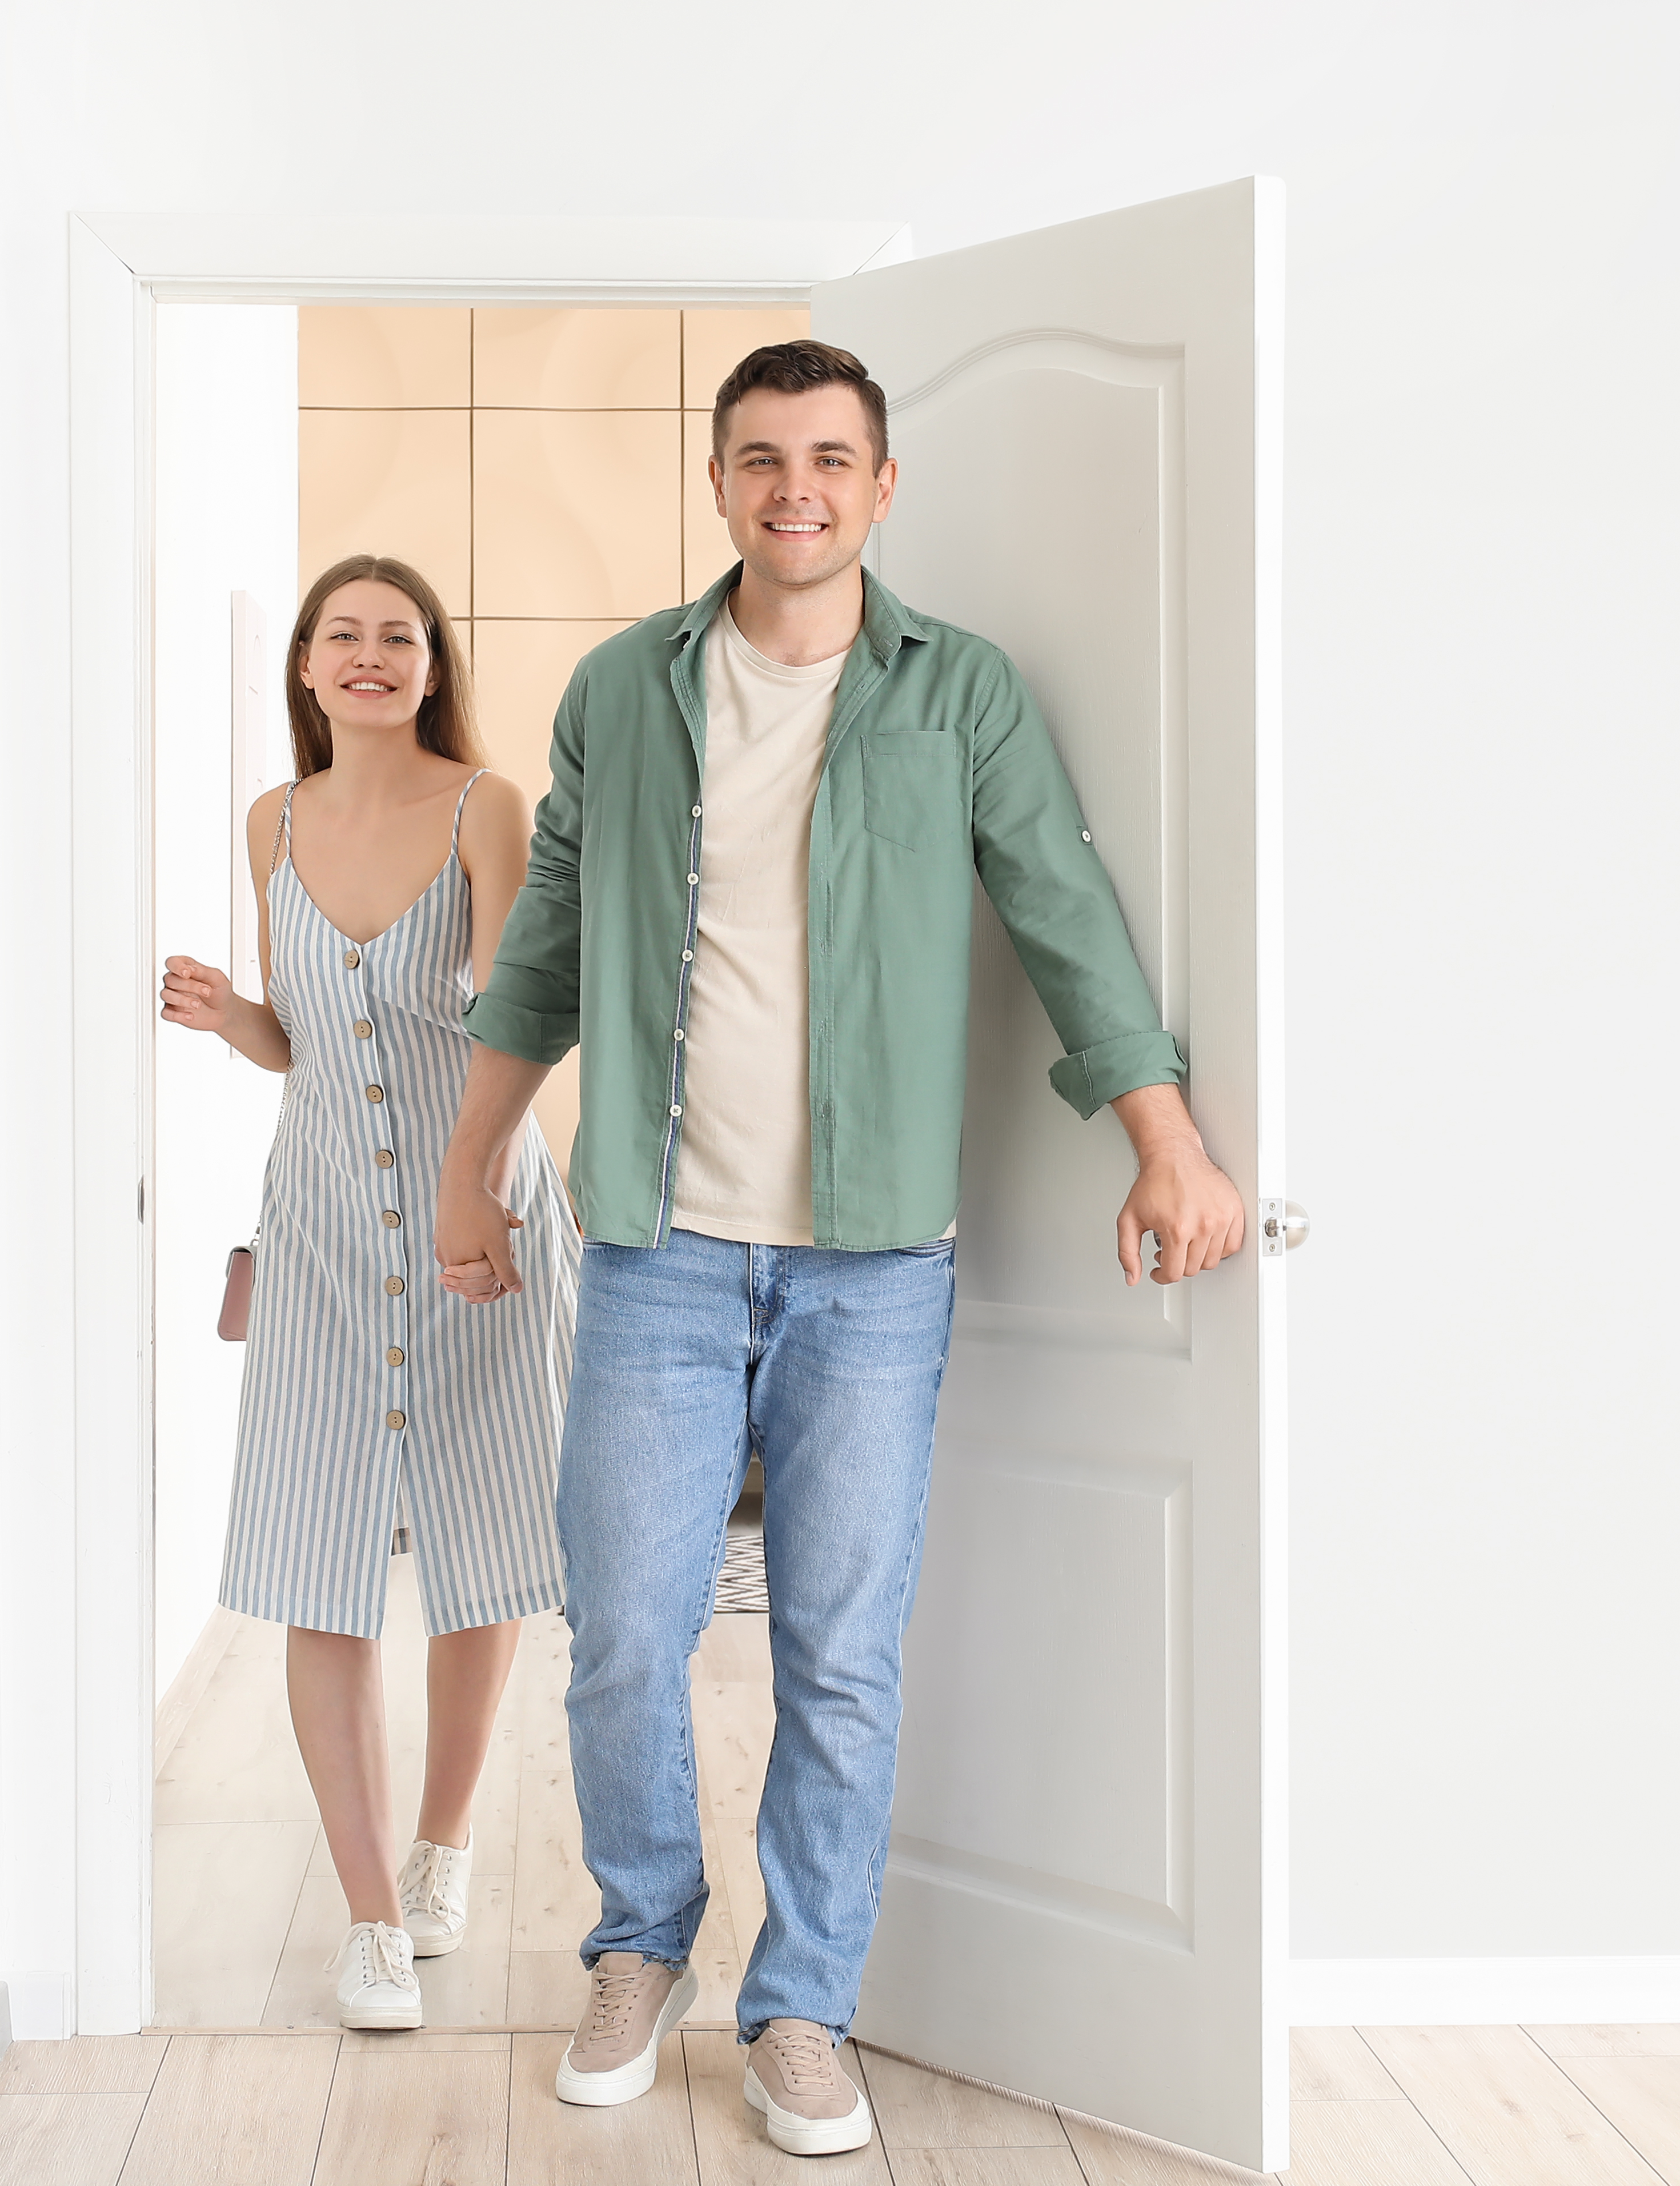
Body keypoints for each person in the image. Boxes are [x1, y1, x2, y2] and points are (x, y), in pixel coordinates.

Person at [431, 343, 1245, 2152]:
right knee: (626, 1638)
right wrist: (474, 1157)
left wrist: (1164, 1141)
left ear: (883, 488)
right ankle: (641, 1939)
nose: (793, 487)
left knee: (842, 1653)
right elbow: (551, 933)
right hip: (656, 1245)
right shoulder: (625, 692)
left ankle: (803, 2004)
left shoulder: (961, 696)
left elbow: (1063, 910)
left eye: (828, 459)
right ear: (717, 484)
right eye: (758, 459)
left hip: (877, 1268)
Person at [162, 553, 579, 2033]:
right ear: (302, 664)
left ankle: (447, 1842)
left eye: (398, 636)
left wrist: (477, 1193)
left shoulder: (485, 809)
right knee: (313, 1549)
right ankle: (367, 1920)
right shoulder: (272, 819)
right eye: (342, 633)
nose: (370, 654)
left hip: (486, 1217)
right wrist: (234, 1022)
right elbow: (305, 1041)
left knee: (479, 1531)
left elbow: (517, 1012)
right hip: (324, 1230)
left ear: (431, 665)